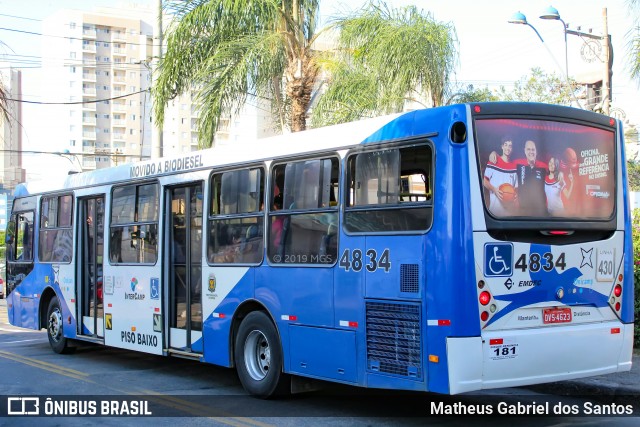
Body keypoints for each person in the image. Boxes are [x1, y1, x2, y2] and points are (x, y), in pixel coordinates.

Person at [483, 136, 517, 216]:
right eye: (505, 145)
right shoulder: (493, 161)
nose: (507, 148)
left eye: (510, 146)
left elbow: (515, 188)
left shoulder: (514, 167)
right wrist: (494, 189)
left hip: (509, 214)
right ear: (502, 146)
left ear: (512, 149)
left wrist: (515, 195)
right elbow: (484, 181)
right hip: (494, 213)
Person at [513, 140, 548, 216]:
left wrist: (560, 174)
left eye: (533, 149)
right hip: (523, 211)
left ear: (536, 151)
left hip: (540, 211)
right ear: (524, 151)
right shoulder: (517, 163)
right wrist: (494, 154)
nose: (531, 152)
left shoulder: (544, 166)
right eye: (528, 149)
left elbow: (554, 175)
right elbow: (505, 162)